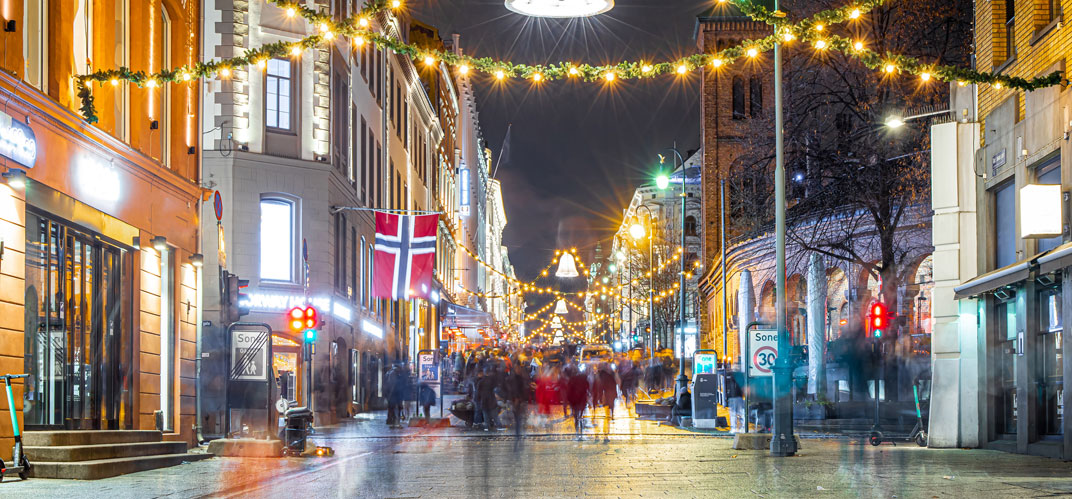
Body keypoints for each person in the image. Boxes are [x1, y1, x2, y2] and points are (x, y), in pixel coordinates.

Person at [565, 366, 590, 440]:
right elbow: (587, 389)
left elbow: (568, 391)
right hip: (580, 400)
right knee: (580, 416)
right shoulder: (584, 379)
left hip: (575, 401)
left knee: (576, 417)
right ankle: (580, 433)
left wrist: (569, 401)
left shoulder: (572, 379)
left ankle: (577, 433)